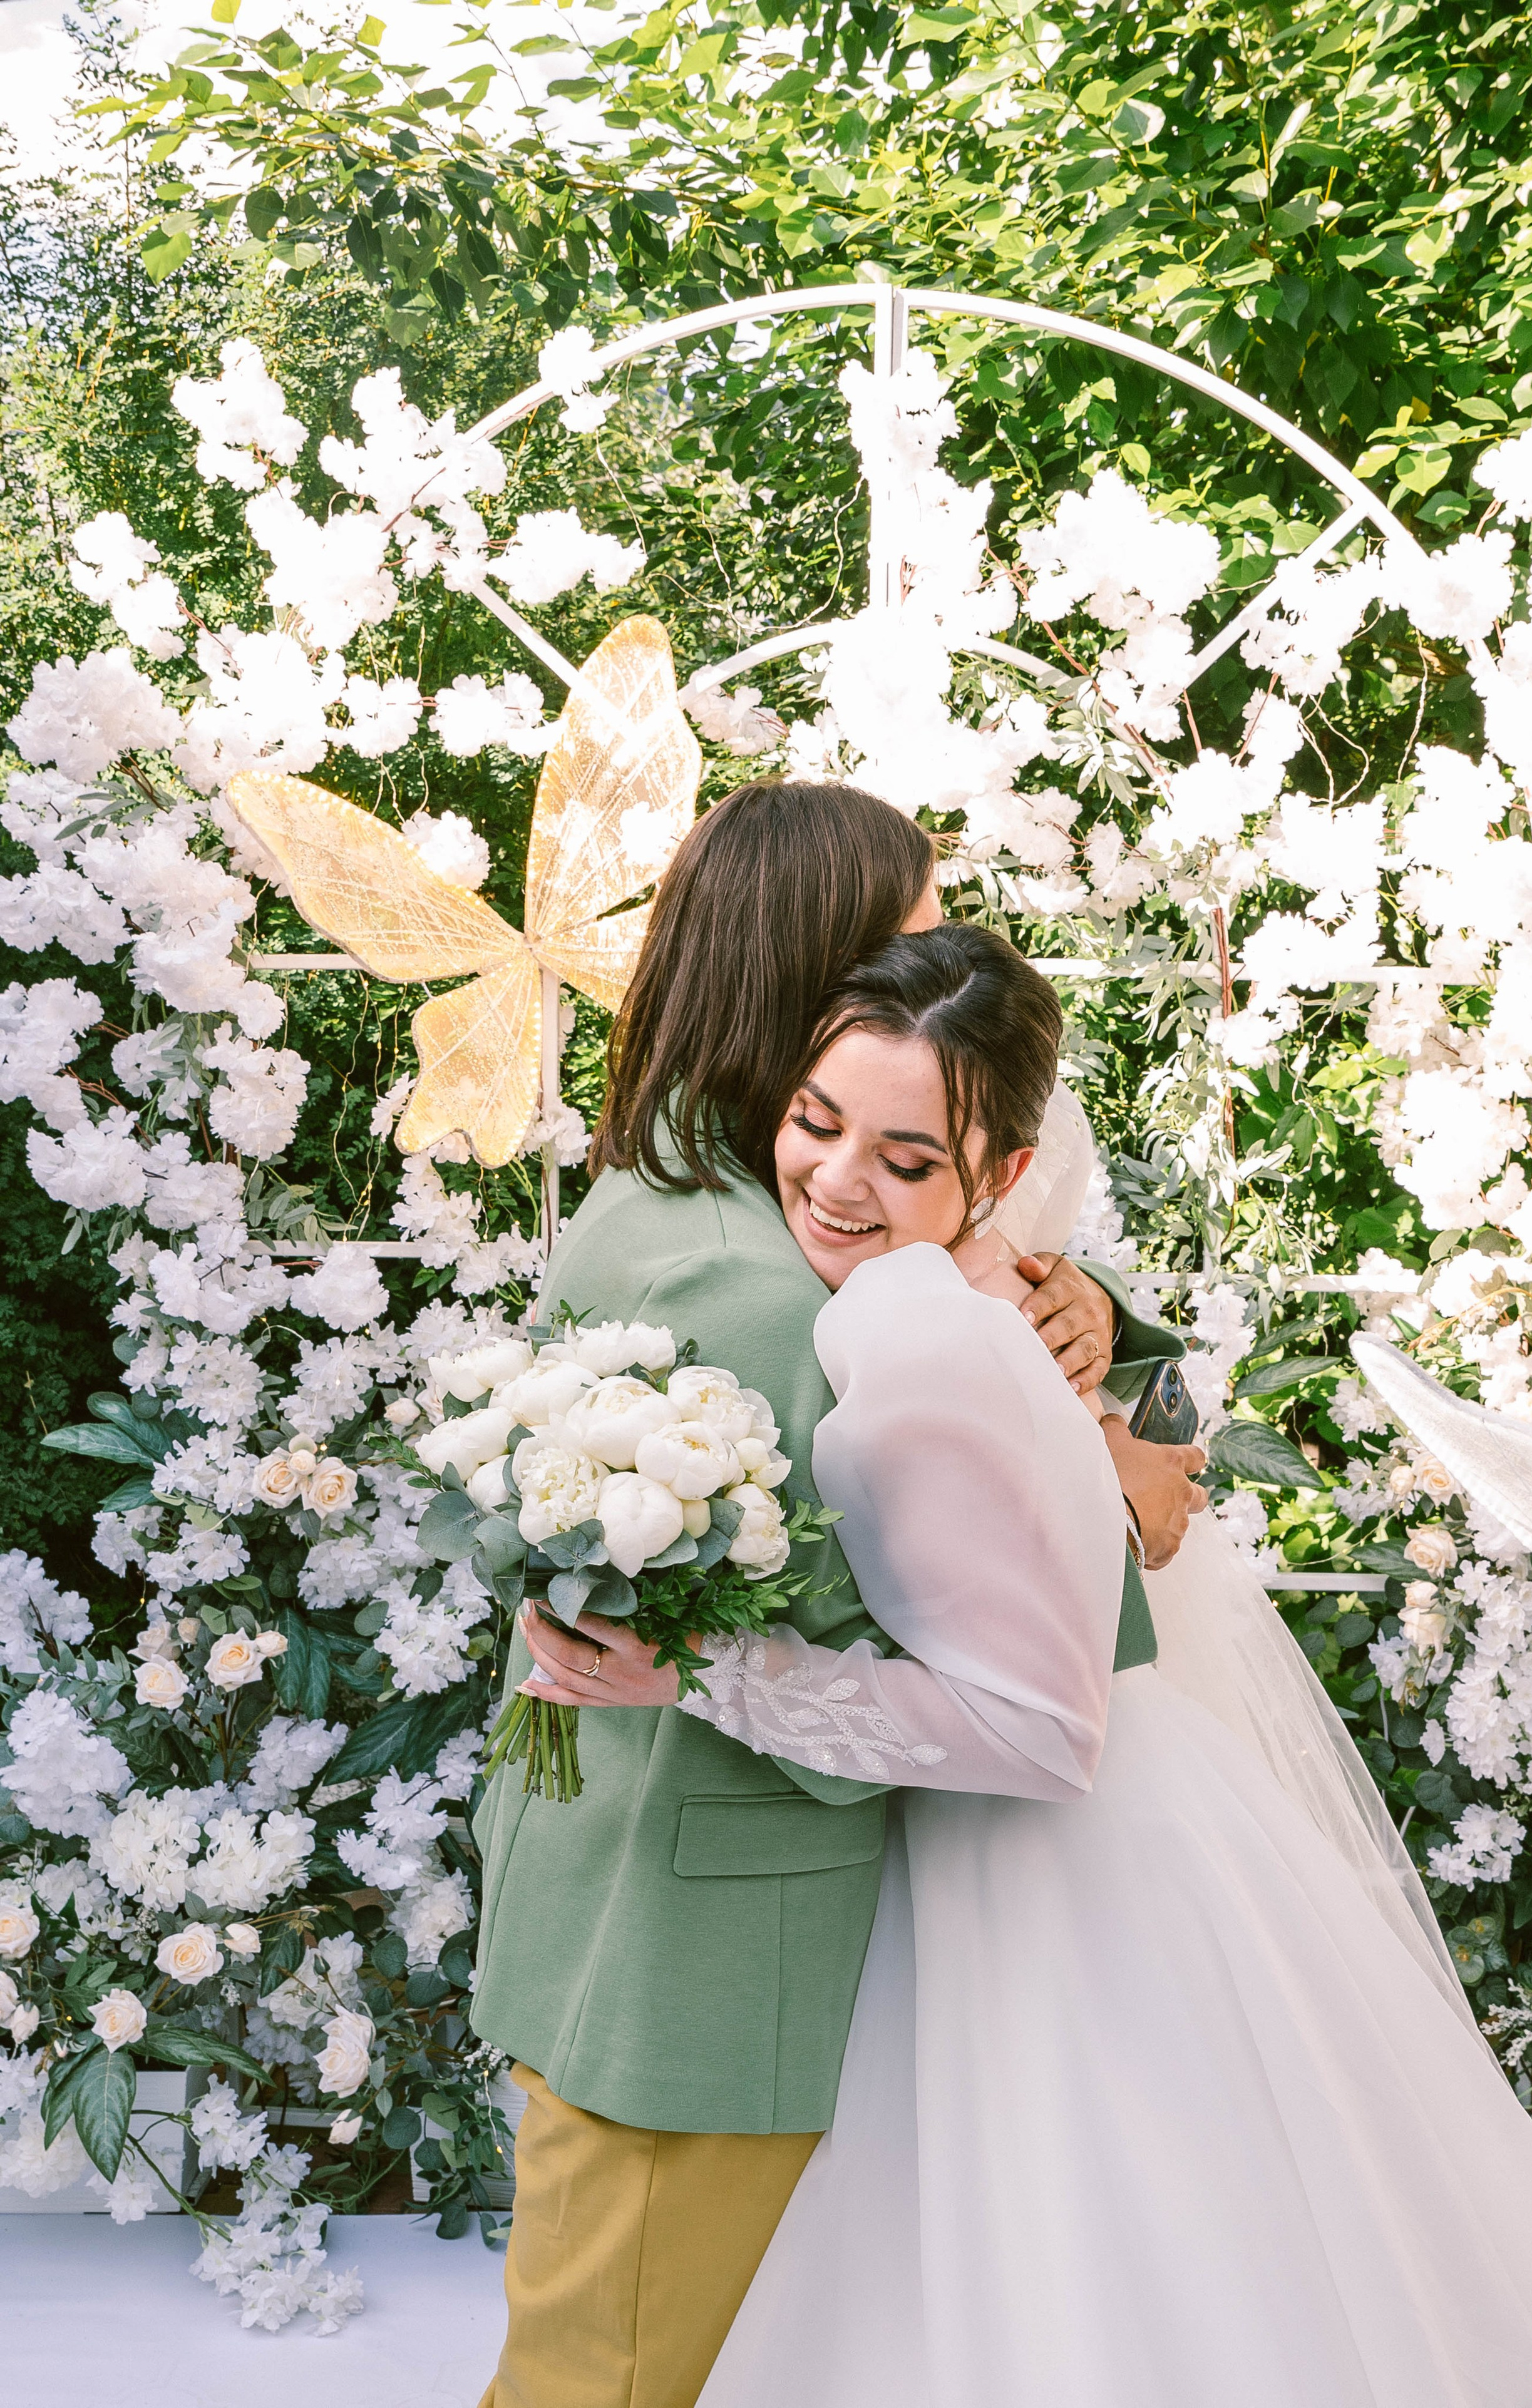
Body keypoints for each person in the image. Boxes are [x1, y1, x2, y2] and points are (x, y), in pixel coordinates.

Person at [533, 922, 1532, 2408]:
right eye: (815, 1122)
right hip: (973, 1858)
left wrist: (701, 1673)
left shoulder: (928, 1339)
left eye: (905, 1162)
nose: (838, 1183)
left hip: (1048, 1865)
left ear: (995, 1170)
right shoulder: (951, 1294)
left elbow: (1040, 1732)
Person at [468, 780, 1203, 2408]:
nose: (941, 956)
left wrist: (1061, 1305)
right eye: (909, 931)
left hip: (626, 1876)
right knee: (608, 2375)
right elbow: (960, 1619)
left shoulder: (677, 1185)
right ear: (817, 977)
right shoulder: (772, 1292)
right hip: (705, 1935)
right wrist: (1135, 1494)